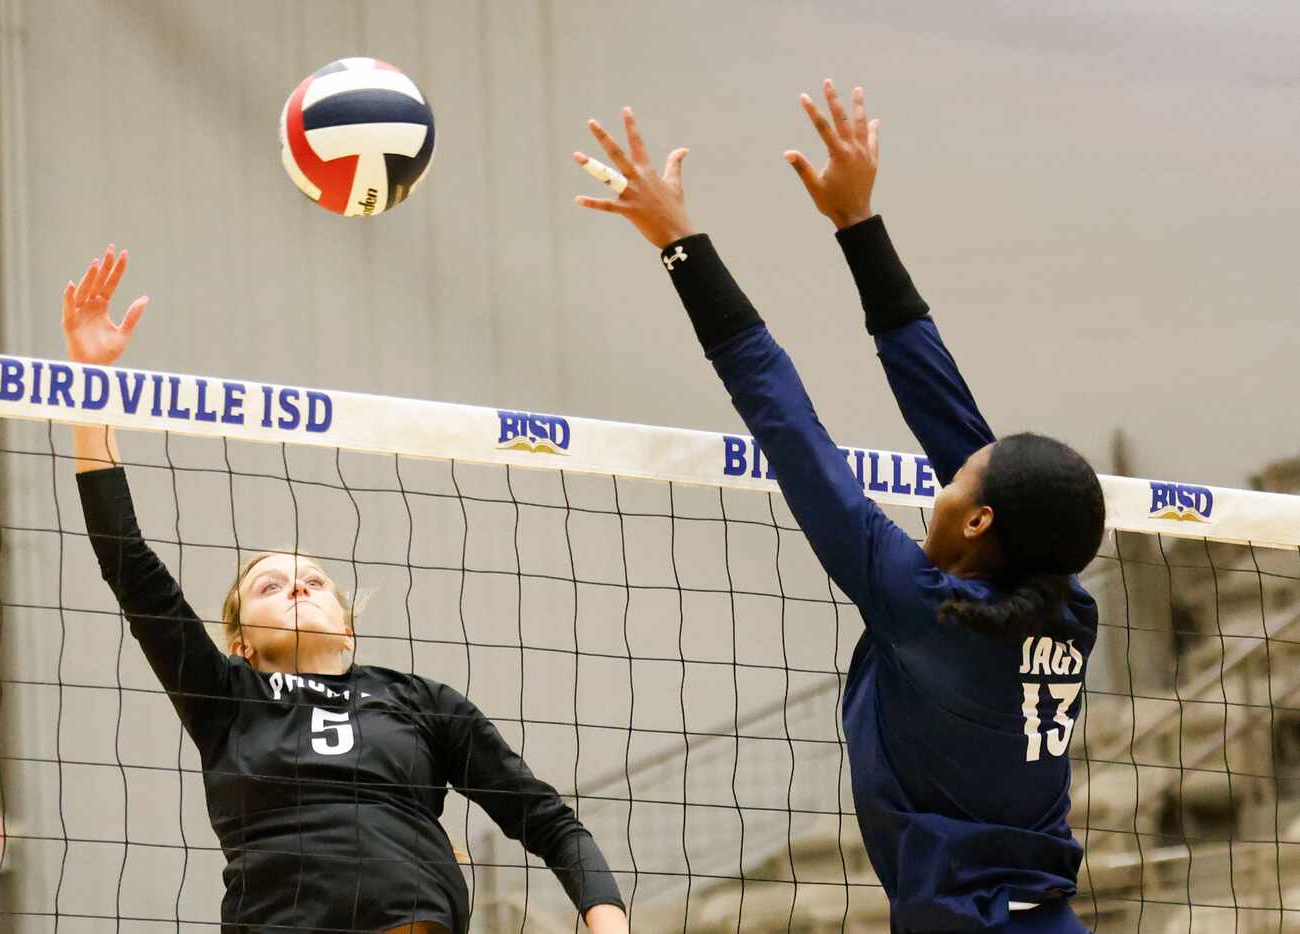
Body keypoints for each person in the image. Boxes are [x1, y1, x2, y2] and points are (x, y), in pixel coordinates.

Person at [573, 84, 1103, 933]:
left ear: (978, 524)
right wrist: (856, 224)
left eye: (957, 479)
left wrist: (679, 243)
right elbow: (942, 402)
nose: (944, 474)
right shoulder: (1067, 608)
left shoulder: (924, 611)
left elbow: (785, 419)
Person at [62, 247, 629, 934]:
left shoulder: (421, 703)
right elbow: (128, 563)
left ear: (349, 625)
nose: (298, 587)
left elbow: (547, 821)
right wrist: (91, 390)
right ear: (239, 642)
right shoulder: (226, 698)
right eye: (271, 585)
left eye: (314, 580)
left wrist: (608, 923)